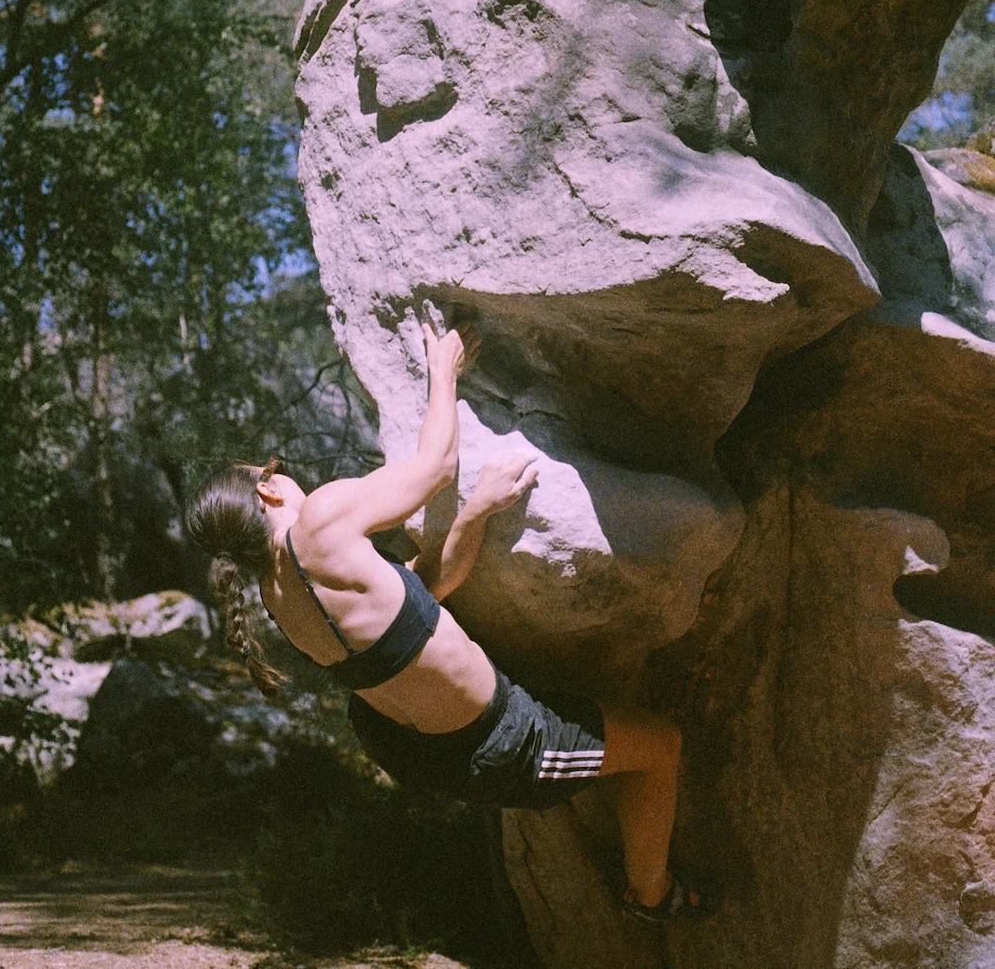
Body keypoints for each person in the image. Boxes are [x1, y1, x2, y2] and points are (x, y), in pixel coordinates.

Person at [185, 323, 719, 923]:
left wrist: (477, 511)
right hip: (502, 740)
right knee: (661, 747)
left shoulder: (277, 594)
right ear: (266, 494)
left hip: (418, 748)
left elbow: (422, 594)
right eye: (272, 469)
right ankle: (650, 895)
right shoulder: (319, 523)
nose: (283, 472)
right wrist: (443, 369)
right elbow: (436, 466)